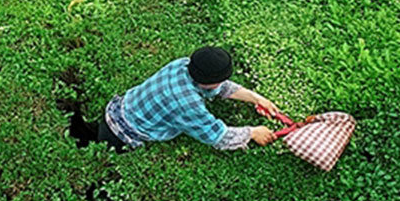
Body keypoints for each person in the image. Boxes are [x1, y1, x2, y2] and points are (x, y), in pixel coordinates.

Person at [93, 47, 280, 152]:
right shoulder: (187, 104)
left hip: (119, 108)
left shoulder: (183, 64)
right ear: (211, 82)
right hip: (123, 134)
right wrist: (252, 133)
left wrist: (256, 99)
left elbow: (221, 87)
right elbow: (218, 137)